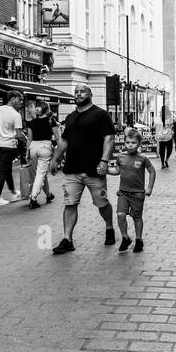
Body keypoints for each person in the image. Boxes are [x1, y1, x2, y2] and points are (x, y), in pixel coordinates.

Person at [50, 84, 116, 255]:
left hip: (94, 169)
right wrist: (55, 159)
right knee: (70, 204)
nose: (78, 94)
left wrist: (104, 161)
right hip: (72, 169)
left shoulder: (101, 115)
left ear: (90, 94)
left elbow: (109, 138)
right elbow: (63, 141)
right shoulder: (71, 117)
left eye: (82, 92)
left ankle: (109, 227)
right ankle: (67, 239)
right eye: (76, 92)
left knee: (102, 204)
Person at [108, 128, 156, 253]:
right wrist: (107, 171)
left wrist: (149, 187)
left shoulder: (143, 158)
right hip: (123, 193)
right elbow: (117, 171)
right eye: (128, 142)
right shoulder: (121, 156)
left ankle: (139, 240)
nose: (130, 145)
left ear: (139, 143)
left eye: (133, 143)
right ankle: (125, 237)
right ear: (124, 143)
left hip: (138, 194)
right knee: (120, 215)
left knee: (137, 217)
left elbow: (152, 171)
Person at [0, 91, 24, 207]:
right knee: (3, 170)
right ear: (12, 99)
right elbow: (19, 134)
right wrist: (28, 143)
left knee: (7, 169)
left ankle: (13, 191)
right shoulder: (16, 115)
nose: (21, 102)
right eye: (19, 99)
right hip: (9, 146)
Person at [26, 100, 57, 209]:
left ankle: (48, 195)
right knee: (41, 174)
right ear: (47, 110)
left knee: (41, 173)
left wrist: (27, 152)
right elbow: (57, 138)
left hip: (33, 147)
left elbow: (29, 139)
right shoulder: (51, 121)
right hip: (45, 147)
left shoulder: (31, 122)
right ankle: (33, 198)